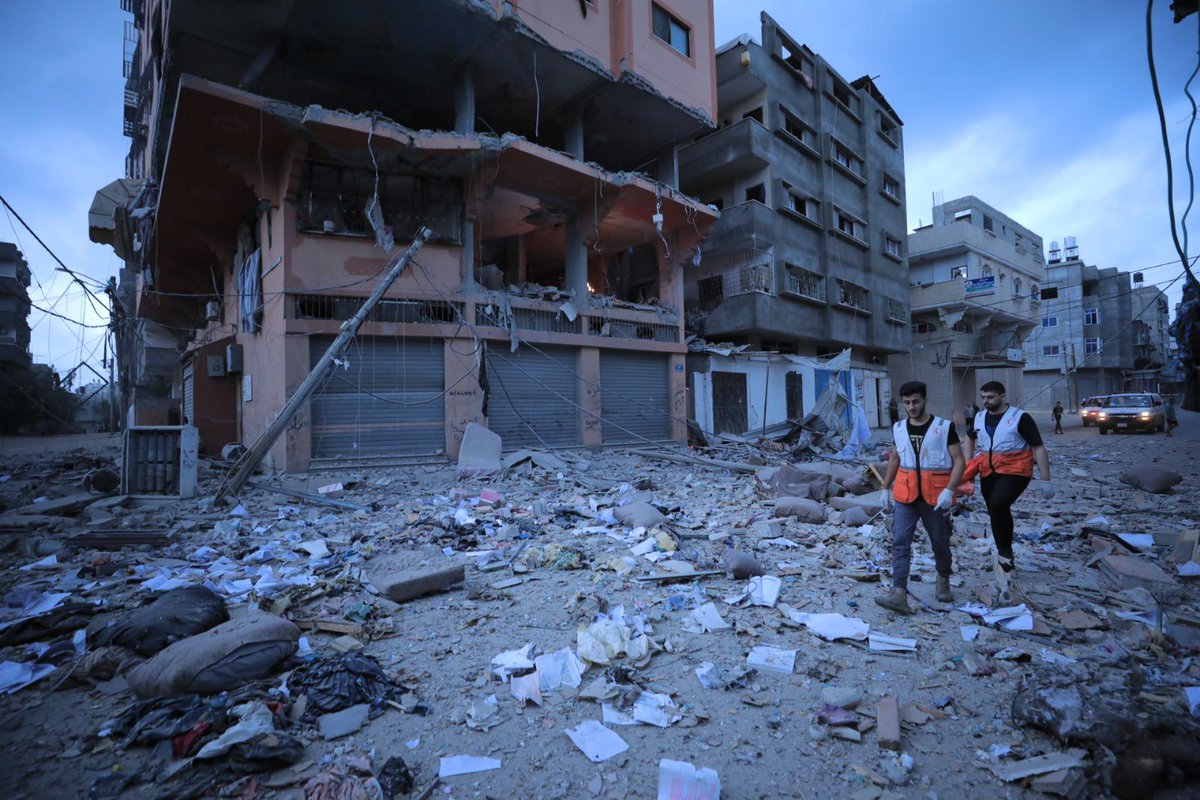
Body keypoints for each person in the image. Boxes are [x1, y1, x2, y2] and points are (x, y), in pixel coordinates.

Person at [875, 381, 965, 614]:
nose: (911, 407)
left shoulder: (944, 427)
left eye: (915, 401)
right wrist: (885, 487)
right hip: (906, 496)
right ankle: (898, 592)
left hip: (935, 496)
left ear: (925, 399)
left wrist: (950, 489)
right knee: (900, 541)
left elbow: (959, 461)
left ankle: (943, 577)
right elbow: (895, 458)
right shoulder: (899, 428)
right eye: (906, 403)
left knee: (939, 540)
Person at [963, 381, 1052, 596]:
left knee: (998, 503)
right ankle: (1005, 554)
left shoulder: (1020, 418)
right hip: (988, 469)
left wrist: (1045, 479)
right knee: (995, 511)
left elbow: (1038, 447)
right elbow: (970, 437)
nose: (985, 401)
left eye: (990, 397)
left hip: (1016, 470)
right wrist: (969, 463)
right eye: (983, 397)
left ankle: (1005, 552)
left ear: (1002, 396)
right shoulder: (980, 417)